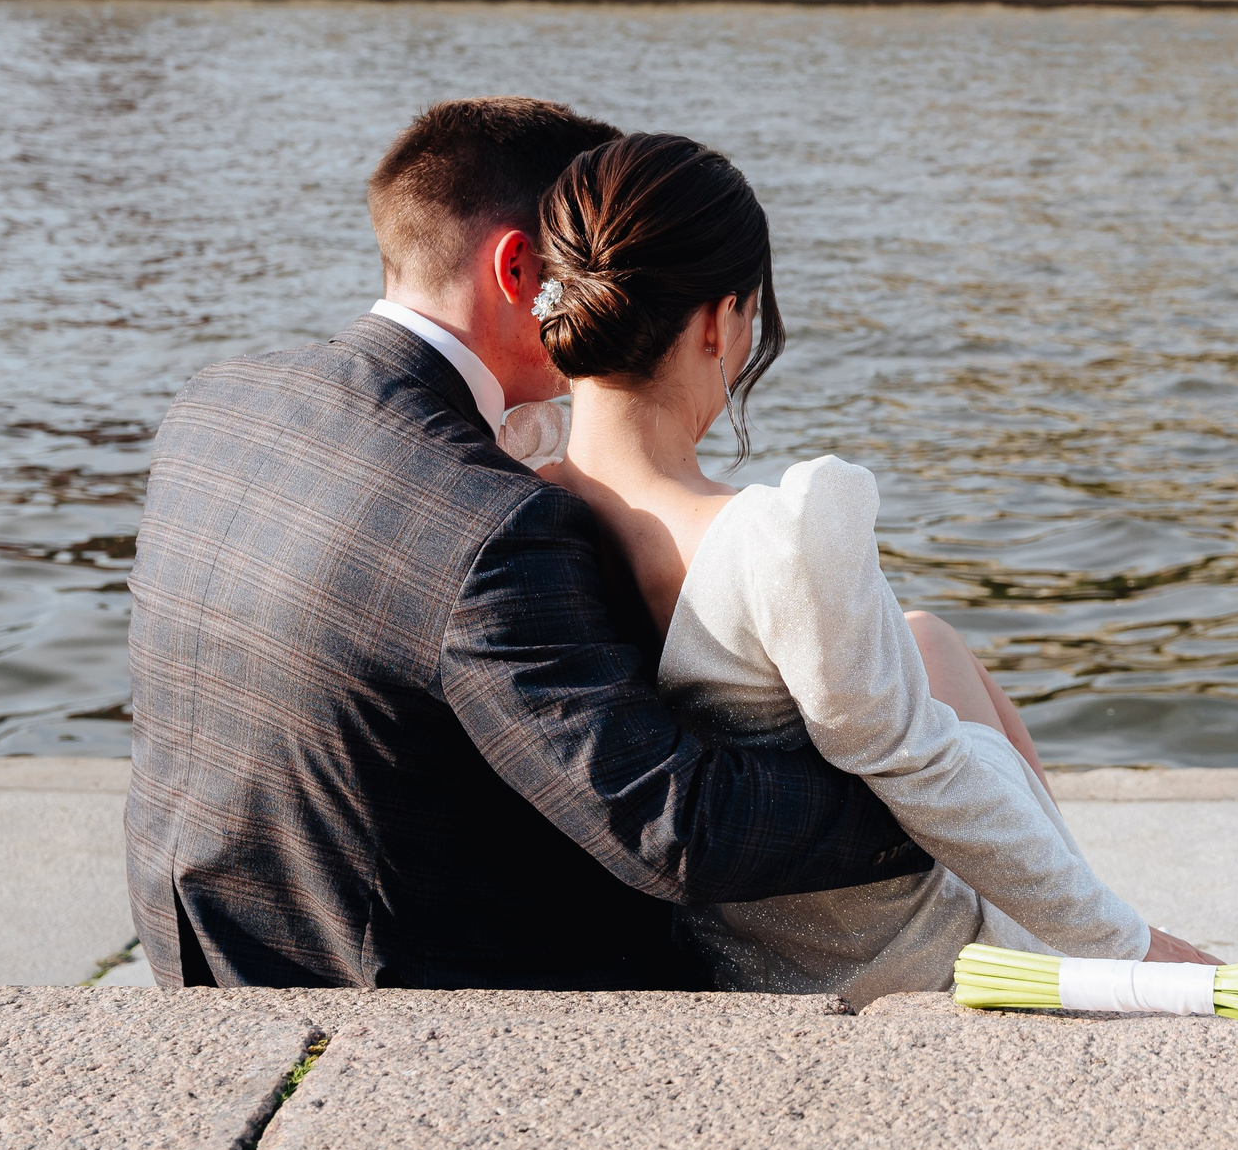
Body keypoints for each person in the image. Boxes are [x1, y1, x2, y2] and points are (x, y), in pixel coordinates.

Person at [125, 98, 938, 988]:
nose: (608, 294)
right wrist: (934, 792)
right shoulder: (489, 519)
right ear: (518, 267)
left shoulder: (218, 402)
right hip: (405, 990)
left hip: (208, 951)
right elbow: (672, 825)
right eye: (582, 264)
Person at [533, 133, 1215, 1003]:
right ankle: (1094, 952)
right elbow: (921, 770)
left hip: (745, 939)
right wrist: (1132, 945)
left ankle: (1087, 923)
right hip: (902, 952)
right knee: (946, 724)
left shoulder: (515, 503)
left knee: (927, 637)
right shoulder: (774, 539)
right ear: (717, 320)